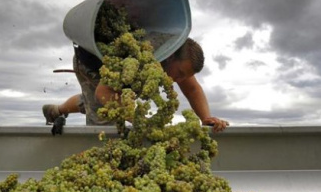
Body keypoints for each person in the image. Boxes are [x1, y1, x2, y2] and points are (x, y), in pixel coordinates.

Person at [43, 38, 229, 133]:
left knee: (92, 100)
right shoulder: (139, 58)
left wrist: (206, 118)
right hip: (90, 64)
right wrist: (139, 122)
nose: (179, 81)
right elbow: (103, 91)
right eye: (180, 74)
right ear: (170, 56)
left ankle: (56, 110)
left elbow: (192, 88)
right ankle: (59, 111)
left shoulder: (176, 59)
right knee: (103, 110)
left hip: (115, 77)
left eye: (184, 76)